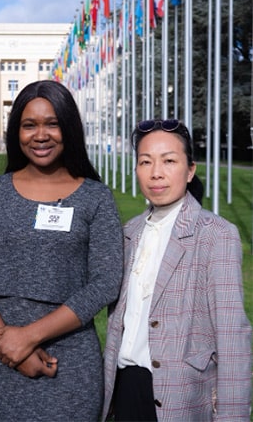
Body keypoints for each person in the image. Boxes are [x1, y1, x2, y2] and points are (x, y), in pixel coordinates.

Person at [0, 79, 123, 421]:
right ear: (16, 132)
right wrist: (8, 345)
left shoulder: (96, 197)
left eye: (52, 124)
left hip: (69, 361)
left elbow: (105, 282)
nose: (41, 135)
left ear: (69, 128)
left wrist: (28, 338)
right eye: (29, 125)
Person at [102, 119, 252, 421]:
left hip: (183, 396)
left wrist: (232, 415)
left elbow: (233, 335)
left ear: (190, 170)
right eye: (146, 162)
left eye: (169, 161)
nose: (156, 172)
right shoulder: (129, 232)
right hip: (125, 387)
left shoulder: (215, 234)